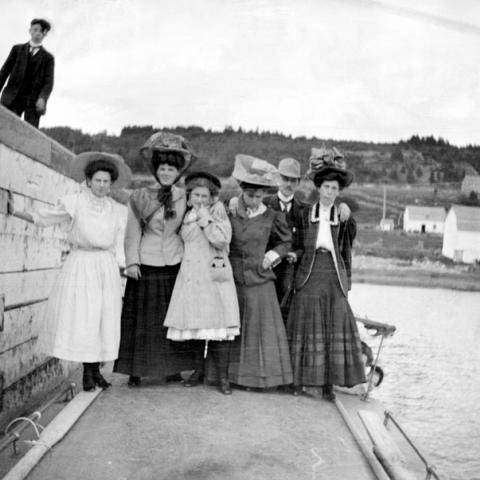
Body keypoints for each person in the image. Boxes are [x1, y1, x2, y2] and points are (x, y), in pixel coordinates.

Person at [8, 152, 132, 391]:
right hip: (82, 264)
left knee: (103, 317)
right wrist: (16, 211)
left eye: (106, 181)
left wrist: (125, 266)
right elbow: (45, 217)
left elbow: (121, 241)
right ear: (88, 180)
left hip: (105, 266)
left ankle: (96, 371)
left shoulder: (117, 210)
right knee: (85, 317)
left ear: (111, 184)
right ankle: (88, 372)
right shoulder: (74, 202)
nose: (102, 185)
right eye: (98, 180)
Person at [113, 132, 199, 387]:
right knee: (142, 320)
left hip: (175, 262)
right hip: (147, 263)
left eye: (171, 169)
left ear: (177, 172)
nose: (166, 173)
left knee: (170, 318)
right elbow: (132, 232)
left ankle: (172, 368)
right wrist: (132, 262)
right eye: (162, 168)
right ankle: (136, 370)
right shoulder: (140, 196)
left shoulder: (185, 196)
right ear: (155, 170)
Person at [287, 149, 365, 400]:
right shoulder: (304, 213)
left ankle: (328, 385)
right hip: (310, 270)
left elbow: (348, 244)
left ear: (338, 192)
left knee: (334, 322)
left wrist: (347, 214)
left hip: (333, 274)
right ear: (319, 188)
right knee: (306, 325)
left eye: (334, 189)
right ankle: (299, 381)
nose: (330, 192)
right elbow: (297, 243)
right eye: (326, 188)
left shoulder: (342, 216)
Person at [164, 172, 240, 394]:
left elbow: (221, 240)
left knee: (219, 328)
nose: (199, 199)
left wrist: (206, 217)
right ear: (189, 197)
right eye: (195, 195)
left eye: (204, 196)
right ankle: (199, 371)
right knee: (197, 327)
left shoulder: (218, 215)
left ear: (211, 198)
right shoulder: (185, 217)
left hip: (214, 277)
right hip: (191, 278)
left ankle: (223, 378)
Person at [226, 154, 293, 389]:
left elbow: (286, 243)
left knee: (258, 333)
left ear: (264, 195)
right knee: (234, 331)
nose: (254, 200)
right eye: (249, 195)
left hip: (261, 281)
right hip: (233, 280)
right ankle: (230, 378)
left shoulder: (273, 216)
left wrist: (273, 256)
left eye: (258, 196)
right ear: (242, 191)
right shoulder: (231, 211)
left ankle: (258, 380)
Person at [0, 18, 54, 128]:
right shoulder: (17, 50)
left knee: (29, 134)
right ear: (30, 30)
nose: (38, 33)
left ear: (45, 34)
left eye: (42, 31)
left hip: (32, 102)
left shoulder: (48, 58)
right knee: (5, 128)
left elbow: (48, 82)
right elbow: (4, 72)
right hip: (12, 98)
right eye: (35, 29)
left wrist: (42, 98)